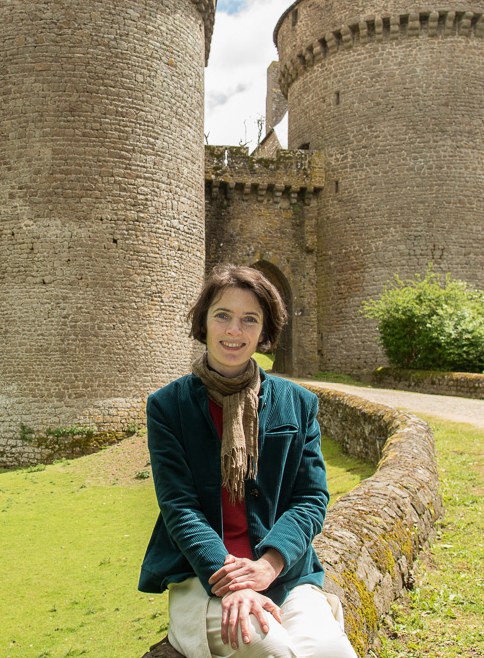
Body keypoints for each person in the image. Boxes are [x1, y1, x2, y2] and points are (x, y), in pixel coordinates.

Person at [138, 264, 357, 658]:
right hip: (205, 575)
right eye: (222, 315)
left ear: (265, 333)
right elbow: (179, 507)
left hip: (283, 573)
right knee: (268, 648)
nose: (234, 331)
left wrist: (269, 566)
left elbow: (310, 498)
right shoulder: (167, 407)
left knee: (330, 651)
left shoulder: (298, 403)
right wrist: (236, 583)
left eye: (249, 320)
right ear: (203, 323)